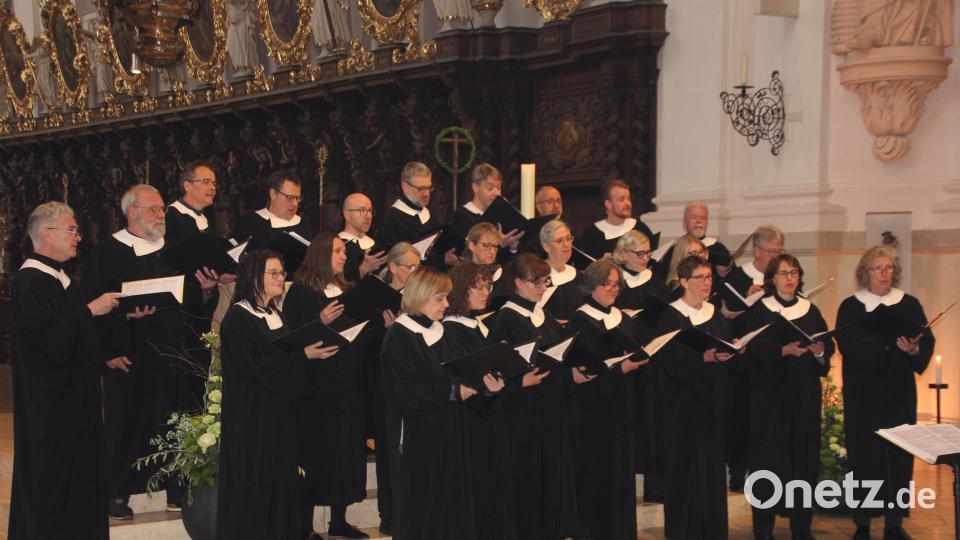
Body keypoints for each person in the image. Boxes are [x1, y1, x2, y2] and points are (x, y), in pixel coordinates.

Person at [82, 184, 220, 518]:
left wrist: (205, 291)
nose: (162, 215)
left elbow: (196, 306)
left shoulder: (176, 251)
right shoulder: (108, 252)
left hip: (175, 353)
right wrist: (108, 347)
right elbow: (90, 308)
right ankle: (117, 493)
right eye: (155, 209)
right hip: (130, 355)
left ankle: (176, 488)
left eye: (162, 209)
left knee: (176, 420)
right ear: (132, 212)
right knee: (127, 425)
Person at [8, 202, 120, 540]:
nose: (78, 238)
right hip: (49, 408)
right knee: (51, 485)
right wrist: (89, 310)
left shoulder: (62, 278)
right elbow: (51, 342)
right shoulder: (31, 281)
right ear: (46, 233)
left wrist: (107, 351)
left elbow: (77, 336)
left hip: (74, 402)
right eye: (71, 230)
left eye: (77, 231)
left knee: (80, 482)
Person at [217, 250, 339, 540]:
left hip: (280, 416)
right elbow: (257, 368)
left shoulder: (276, 314)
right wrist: (303, 356)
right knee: (255, 485)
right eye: (273, 272)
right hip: (252, 419)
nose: (280, 277)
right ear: (253, 277)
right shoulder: (237, 318)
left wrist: (308, 352)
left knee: (282, 483)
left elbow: (287, 351)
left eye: (282, 272)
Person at [380, 267, 491, 539]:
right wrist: (452, 392)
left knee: (452, 507)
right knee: (422, 510)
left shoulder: (443, 332)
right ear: (420, 296)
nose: (446, 305)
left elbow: (463, 374)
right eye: (439, 298)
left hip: (451, 432)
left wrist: (486, 387)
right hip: (418, 438)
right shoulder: (399, 336)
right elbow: (405, 392)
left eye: (447, 298)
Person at [487, 253, 591, 539]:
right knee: (530, 487)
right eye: (537, 282)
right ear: (517, 282)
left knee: (552, 485)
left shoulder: (542, 313)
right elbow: (501, 369)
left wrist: (572, 373)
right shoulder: (504, 319)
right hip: (524, 418)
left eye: (546, 281)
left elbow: (558, 353)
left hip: (550, 413)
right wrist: (525, 381)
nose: (543, 288)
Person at [836, 245, 934, 540]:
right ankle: (862, 522)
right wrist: (889, 347)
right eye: (878, 268)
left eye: (889, 267)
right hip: (863, 392)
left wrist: (913, 348)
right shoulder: (851, 306)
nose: (885, 273)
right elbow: (848, 345)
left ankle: (894, 521)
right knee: (863, 453)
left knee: (898, 454)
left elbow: (924, 339)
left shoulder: (909, 304)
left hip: (898, 391)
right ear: (865, 272)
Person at [282, 233, 369, 538]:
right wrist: (319, 320)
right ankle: (304, 527)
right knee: (316, 454)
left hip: (348, 385)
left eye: (344, 251)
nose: (344, 256)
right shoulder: (302, 292)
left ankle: (339, 521)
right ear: (320, 254)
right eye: (337, 251)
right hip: (317, 389)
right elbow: (292, 337)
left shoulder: (344, 289)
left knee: (345, 453)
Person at [743, 254, 832, 540]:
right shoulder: (759, 311)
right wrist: (781, 351)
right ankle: (763, 528)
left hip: (803, 397)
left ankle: (801, 528)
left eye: (793, 272)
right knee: (767, 461)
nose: (789, 278)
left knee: (802, 460)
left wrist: (819, 351)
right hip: (769, 399)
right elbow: (751, 352)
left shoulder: (811, 310)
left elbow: (825, 349)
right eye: (782, 273)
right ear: (771, 279)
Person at [654, 255, 734, 539]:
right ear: (684, 281)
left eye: (709, 277)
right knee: (683, 471)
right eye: (700, 278)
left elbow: (725, 351)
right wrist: (702, 357)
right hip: (681, 408)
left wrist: (733, 350)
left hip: (712, 404)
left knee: (711, 471)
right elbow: (667, 360)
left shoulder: (714, 314)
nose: (706, 283)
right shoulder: (670, 316)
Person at [569, 259, 647, 540]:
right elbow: (586, 367)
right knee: (597, 478)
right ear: (592, 286)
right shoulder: (580, 319)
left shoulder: (623, 319)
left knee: (621, 477)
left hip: (622, 409)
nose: (613, 289)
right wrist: (618, 370)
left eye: (616, 284)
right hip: (594, 413)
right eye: (607, 284)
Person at [441, 262, 507, 540]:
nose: (485, 293)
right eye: (477, 287)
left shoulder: (479, 325)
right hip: (465, 425)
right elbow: (460, 376)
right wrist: (485, 388)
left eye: (488, 287)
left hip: (485, 422)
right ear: (459, 290)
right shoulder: (451, 329)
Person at [611, 230, 669, 502]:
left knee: (653, 423)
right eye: (639, 253)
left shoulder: (655, 281)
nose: (645, 258)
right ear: (623, 254)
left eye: (648, 253)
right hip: (623, 360)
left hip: (652, 358)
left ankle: (655, 485)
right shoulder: (614, 282)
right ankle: (624, 481)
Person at [368, 241, 420, 534]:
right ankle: (389, 514)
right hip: (384, 384)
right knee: (389, 451)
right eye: (408, 267)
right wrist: (390, 332)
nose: (414, 272)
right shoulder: (379, 297)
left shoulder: (418, 299)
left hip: (414, 383)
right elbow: (367, 345)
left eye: (417, 267)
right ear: (391, 267)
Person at [232, 169, 314, 250]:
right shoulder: (251, 222)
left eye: (298, 198)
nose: (295, 204)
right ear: (273, 194)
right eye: (290, 198)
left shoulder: (303, 225)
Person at [450, 163, 523, 252]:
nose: (496, 193)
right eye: (490, 188)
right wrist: (500, 244)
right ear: (475, 187)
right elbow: (467, 254)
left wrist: (513, 248)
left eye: (499, 188)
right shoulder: (462, 216)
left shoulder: (502, 215)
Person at [576, 178, 655, 260]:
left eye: (628, 198)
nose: (627, 203)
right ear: (608, 204)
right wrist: (601, 263)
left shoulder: (640, 228)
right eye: (622, 199)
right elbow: (587, 267)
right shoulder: (592, 235)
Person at [655, 202, 732, 277]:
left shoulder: (719, 249)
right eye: (693, 217)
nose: (699, 221)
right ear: (684, 223)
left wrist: (724, 275)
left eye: (703, 218)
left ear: (707, 223)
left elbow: (735, 279)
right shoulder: (675, 250)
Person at [377, 161, 442, 248]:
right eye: (421, 188)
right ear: (405, 187)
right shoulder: (392, 218)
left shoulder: (429, 216)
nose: (427, 194)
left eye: (429, 187)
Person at [725, 225, 785, 304]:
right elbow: (730, 309)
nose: (776, 256)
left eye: (779, 251)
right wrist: (748, 299)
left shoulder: (785, 275)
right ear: (757, 251)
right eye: (771, 251)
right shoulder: (737, 277)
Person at [538, 220, 584, 322]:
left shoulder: (578, 275)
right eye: (559, 241)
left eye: (568, 239)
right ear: (546, 247)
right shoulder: (537, 276)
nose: (566, 244)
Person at [165, 160, 217, 247]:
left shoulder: (202, 216)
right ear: (187, 186)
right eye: (206, 182)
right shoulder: (171, 217)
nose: (213, 188)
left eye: (214, 183)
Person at [339, 193, 387, 283]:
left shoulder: (375, 244)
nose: (368, 216)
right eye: (362, 210)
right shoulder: (338, 247)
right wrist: (363, 269)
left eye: (370, 210)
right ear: (347, 215)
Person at [461, 222, 506, 294]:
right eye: (487, 245)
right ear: (472, 245)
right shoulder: (459, 274)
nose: (492, 251)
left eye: (495, 246)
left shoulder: (500, 274)